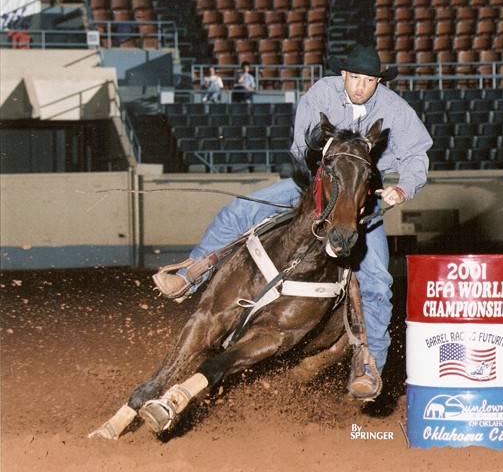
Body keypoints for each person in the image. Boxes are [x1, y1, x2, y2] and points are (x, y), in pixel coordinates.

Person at [153, 45, 432, 397]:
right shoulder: (320, 95)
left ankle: (368, 362)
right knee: (238, 210)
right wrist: (324, 173)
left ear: (379, 81)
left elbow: (416, 156)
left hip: (361, 194)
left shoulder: (395, 109)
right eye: (356, 78)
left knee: (377, 280)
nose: (361, 87)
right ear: (343, 75)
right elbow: (301, 152)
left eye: (370, 80)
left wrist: (402, 189)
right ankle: (192, 273)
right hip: (315, 184)